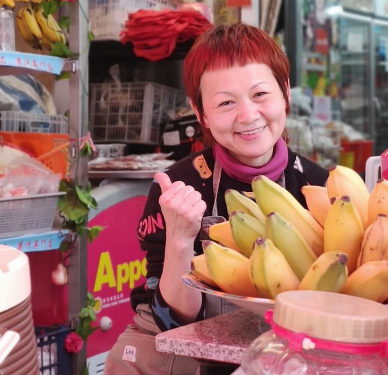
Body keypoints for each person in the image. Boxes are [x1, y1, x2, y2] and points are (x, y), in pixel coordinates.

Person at [104, 23, 329, 375]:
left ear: (285, 93)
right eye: (226, 102)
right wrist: (180, 238)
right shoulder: (178, 186)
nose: (248, 116)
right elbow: (169, 317)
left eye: (260, 95)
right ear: (200, 113)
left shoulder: (318, 187)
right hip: (195, 354)